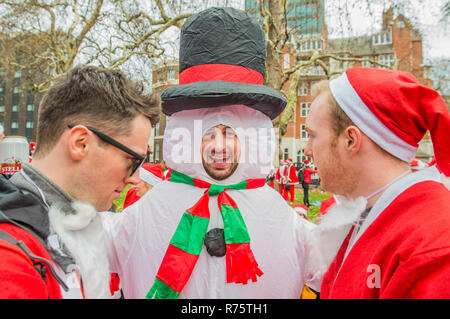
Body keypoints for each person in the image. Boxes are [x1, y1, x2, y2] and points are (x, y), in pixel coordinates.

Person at [101, 7, 322, 299]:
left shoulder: (286, 222)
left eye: (230, 133)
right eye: (208, 133)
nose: (219, 146)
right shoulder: (144, 215)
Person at [0, 65, 160, 298]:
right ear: (80, 143)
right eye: (132, 160)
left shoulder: (61, 228)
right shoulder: (12, 260)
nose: (134, 177)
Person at [307, 67, 450, 298]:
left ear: (351, 140)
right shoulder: (369, 214)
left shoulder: (432, 247)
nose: (307, 151)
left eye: (313, 136)